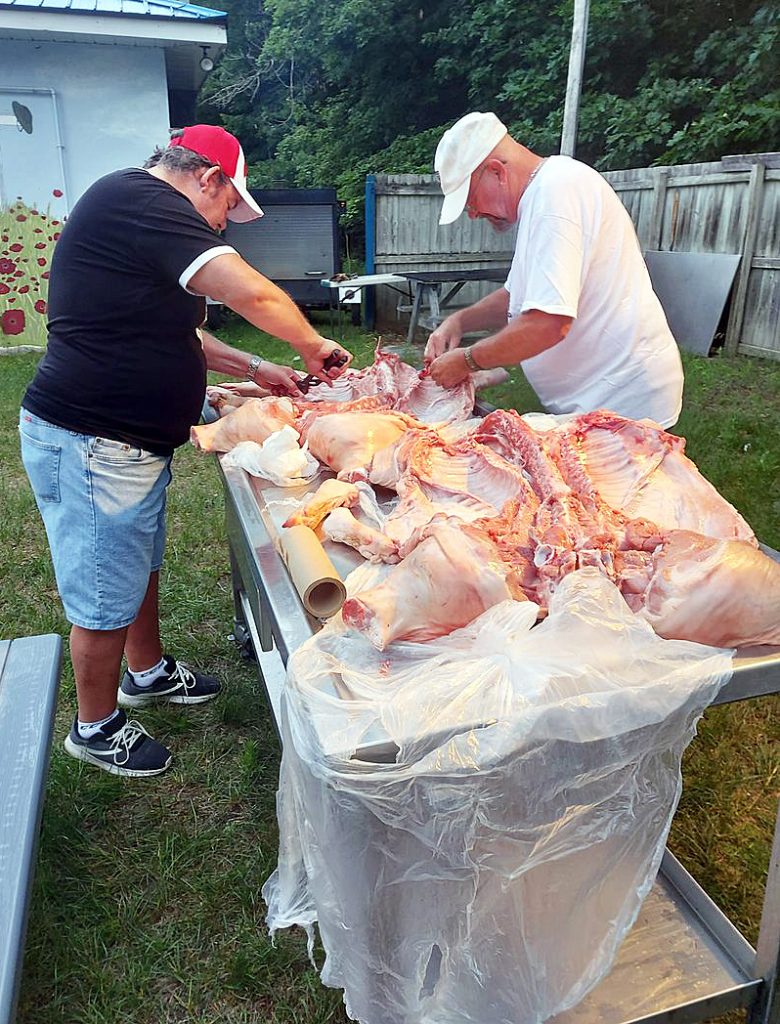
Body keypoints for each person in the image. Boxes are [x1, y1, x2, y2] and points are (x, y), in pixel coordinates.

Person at [19, 124, 353, 778]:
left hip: (126, 445)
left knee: (134, 564)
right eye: (229, 206)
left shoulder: (140, 219)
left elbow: (184, 338)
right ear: (208, 177)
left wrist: (256, 365)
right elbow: (246, 290)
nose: (225, 225)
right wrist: (314, 346)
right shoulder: (144, 201)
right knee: (101, 588)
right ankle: (94, 727)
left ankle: (142, 672)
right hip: (93, 441)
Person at [425, 112, 684, 429]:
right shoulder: (542, 195)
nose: (475, 213)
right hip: (593, 400)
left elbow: (548, 323)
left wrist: (467, 361)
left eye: (471, 201)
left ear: (496, 172)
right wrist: (459, 321)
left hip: (622, 403)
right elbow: (516, 297)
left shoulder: (555, 196)